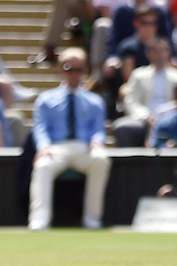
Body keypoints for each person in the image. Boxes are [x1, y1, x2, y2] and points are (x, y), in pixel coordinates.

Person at [28, 49, 111, 231]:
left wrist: (97, 142)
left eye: (78, 69)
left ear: (85, 70)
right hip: (56, 149)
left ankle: (92, 219)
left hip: (83, 149)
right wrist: (43, 147)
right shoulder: (45, 100)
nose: (74, 73)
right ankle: (39, 219)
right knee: (42, 165)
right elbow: (40, 128)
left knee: (101, 160)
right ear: (60, 69)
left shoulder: (96, 101)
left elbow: (98, 129)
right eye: (69, 68)